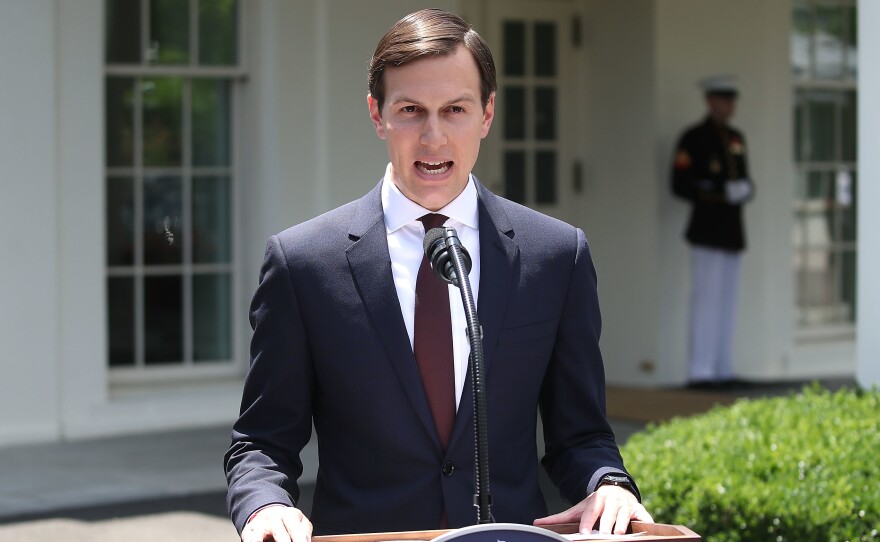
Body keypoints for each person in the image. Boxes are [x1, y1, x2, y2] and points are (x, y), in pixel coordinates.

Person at [225, 9, 652, 542]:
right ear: (377, 115)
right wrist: (264, 506)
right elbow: (262, 443)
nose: (433, 137)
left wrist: (609, 483)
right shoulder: (304, 264)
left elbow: (580, 435)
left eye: (455, 110)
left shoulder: (556, 256)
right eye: (410, 110)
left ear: (487, 114)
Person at [670, 75, 754, 389]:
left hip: (731, 230)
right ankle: (701, 370)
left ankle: (722, 367)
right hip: (706, 228)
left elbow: (743, 177)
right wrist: (720, 191)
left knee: (727, 300)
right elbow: (680, 183)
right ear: (710, 101)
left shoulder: (736, 137)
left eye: (732, 99)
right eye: (724, 98)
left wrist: (744, 190)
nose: (730, 105)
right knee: (706, 299)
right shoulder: (694, 138)